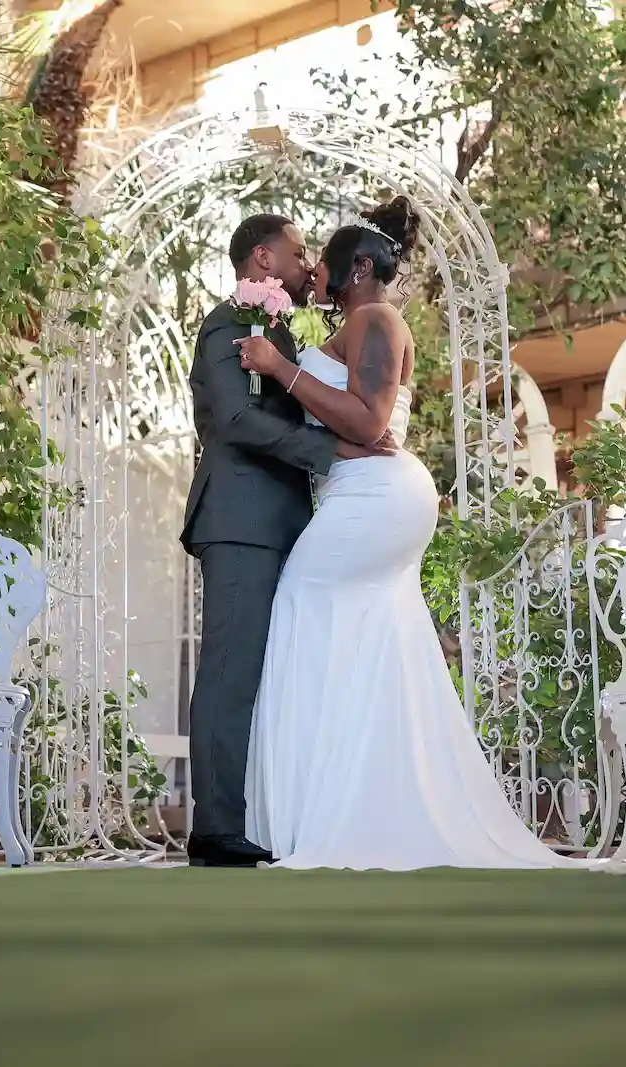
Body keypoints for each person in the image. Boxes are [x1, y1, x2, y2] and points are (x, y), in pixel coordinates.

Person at [234, 197, 626, 872]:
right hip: (361, 492)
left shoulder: (377, 318)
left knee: (301, 608)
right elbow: (342, 419)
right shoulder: (355, 324)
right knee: (371, 645)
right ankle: (360, 808)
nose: (319, 278)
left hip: (375, 496)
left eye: (327, 266)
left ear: (359, 268)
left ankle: (323, 814)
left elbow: (367, 422)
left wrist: (283, 370)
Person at [180, 214, 395, 868]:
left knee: (274, 675)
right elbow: (240, 419)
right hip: (241, 519)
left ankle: (271, 813)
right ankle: (215, 827)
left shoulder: (280, 332)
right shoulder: (228, 322)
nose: (308, 267)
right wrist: (331, 447)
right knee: (231, 670)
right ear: (265, 259)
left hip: (287, 522)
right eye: (299, 254)